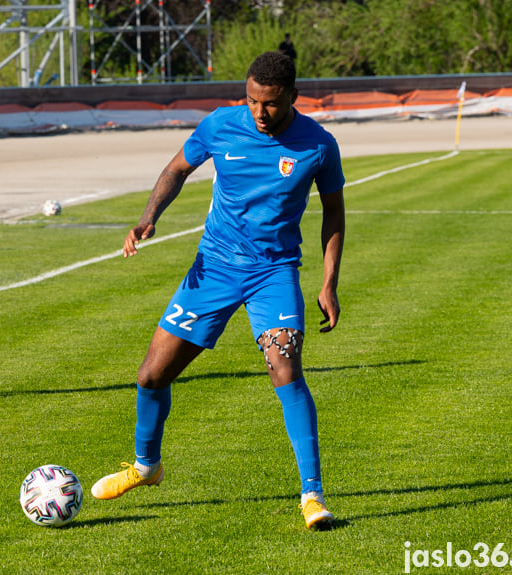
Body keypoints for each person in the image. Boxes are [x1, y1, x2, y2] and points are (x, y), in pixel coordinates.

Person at [90, 51, 345, 531]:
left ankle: (312, 495)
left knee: (285, 370)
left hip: (275, 273)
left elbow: (334, 213)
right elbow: (176, 170)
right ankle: (147, 467)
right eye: (251, 100)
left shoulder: (318, 144)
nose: (259, 112)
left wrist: (328, 282)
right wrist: (149, 217)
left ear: (292, 95)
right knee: (150, 376)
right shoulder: (220, 125)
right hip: (215, 269)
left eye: (269, 103)